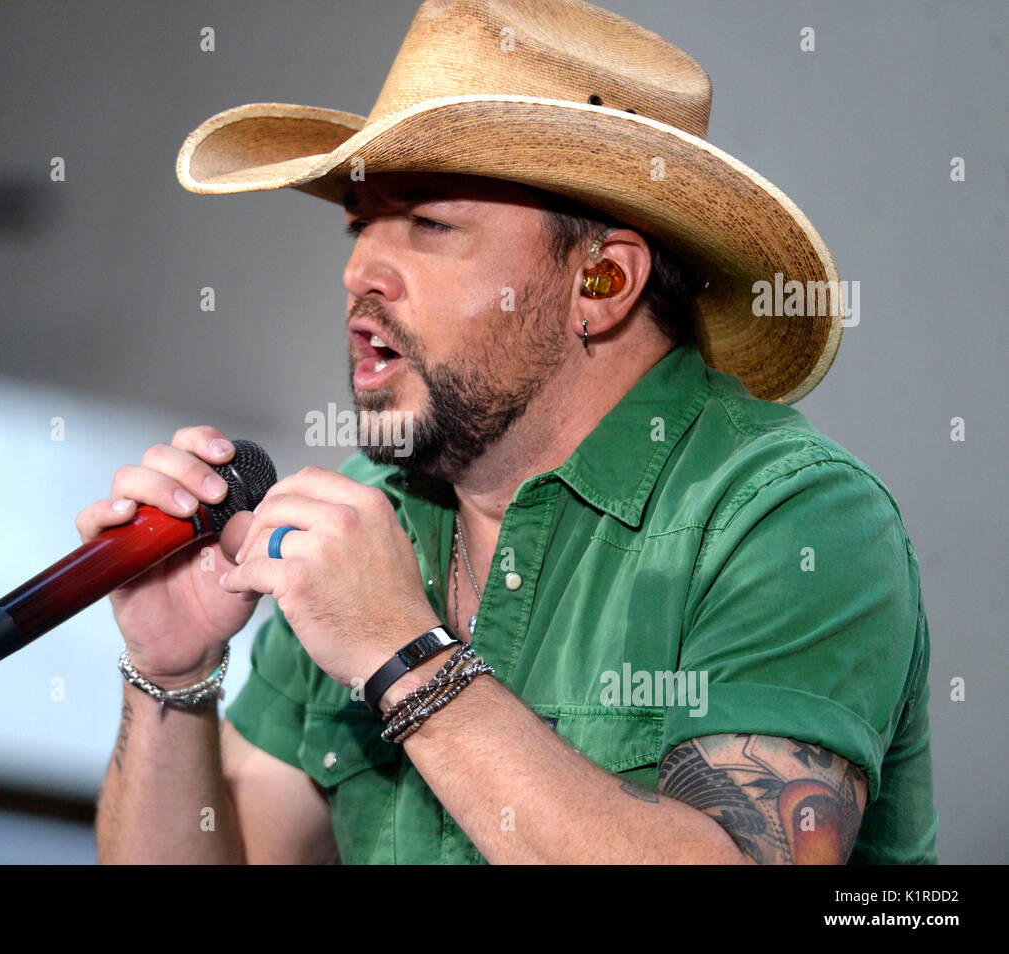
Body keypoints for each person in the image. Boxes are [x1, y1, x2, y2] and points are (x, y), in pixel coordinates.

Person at [90, 0, 937, 864]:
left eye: (429, 223)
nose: (357, 272)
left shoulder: (791, 516)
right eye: (360, 225)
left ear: (602, 282)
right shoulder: (367, 515)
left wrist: (402, 652)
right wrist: (170, 676)